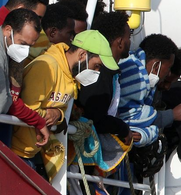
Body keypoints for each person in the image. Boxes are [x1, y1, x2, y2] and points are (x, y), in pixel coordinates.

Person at [13, 30, 117, 179]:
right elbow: (26, 108)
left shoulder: (69, 76)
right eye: (96, 66)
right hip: (16, 152)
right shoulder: (47, 67)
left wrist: (58, 114)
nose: (97, 72)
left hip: (33, 153)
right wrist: (50, 114)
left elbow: (60, 111)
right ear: (82, 55)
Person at [76, 11, 138, 145]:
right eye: (128, 37)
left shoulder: (109, 73)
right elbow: (94, 118)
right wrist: (122, 128)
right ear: (120, 42)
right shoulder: (101, 73)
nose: (130, 41)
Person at [117, 34, 178, 148]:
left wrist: (146, 134)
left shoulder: (144, 76)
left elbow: (138, 126)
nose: (168, 73)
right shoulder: (135, 74)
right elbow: (130, 119)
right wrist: (171, 115)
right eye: (169, 67)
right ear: (157, 66)